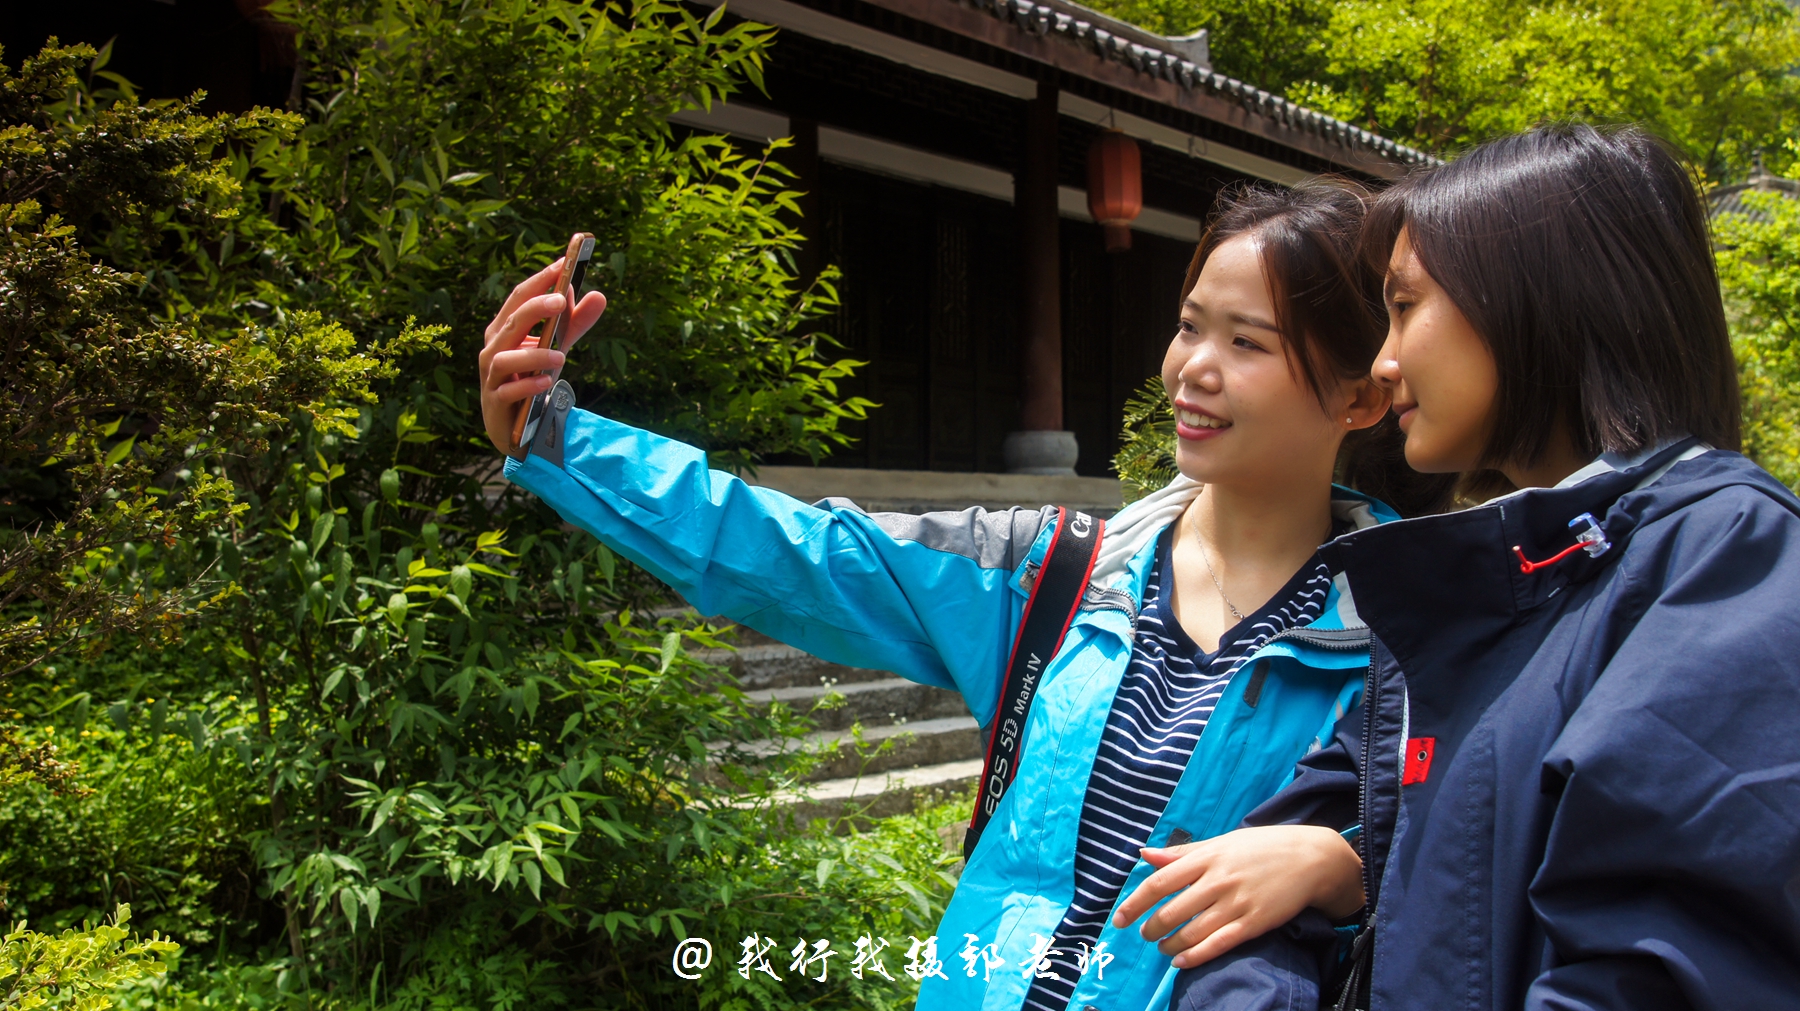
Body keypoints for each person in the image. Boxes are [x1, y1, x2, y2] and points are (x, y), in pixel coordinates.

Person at [479, 183, 1405, 1011]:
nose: (1193, 367)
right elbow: (797, 552)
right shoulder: (1057, 574)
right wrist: (558, 437)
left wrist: (1344, 867)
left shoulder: (1409, 638)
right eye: (1191, 324)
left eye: (1248, 342)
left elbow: (1492, 872)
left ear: (1359, 400)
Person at [1163, 124, 1800, 1011]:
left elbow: (1665, 970)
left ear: (1531, 300)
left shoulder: (1726, 564)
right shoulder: (1481, 583)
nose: (1384, 363)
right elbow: (1277, 854)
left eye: (1405, 306)